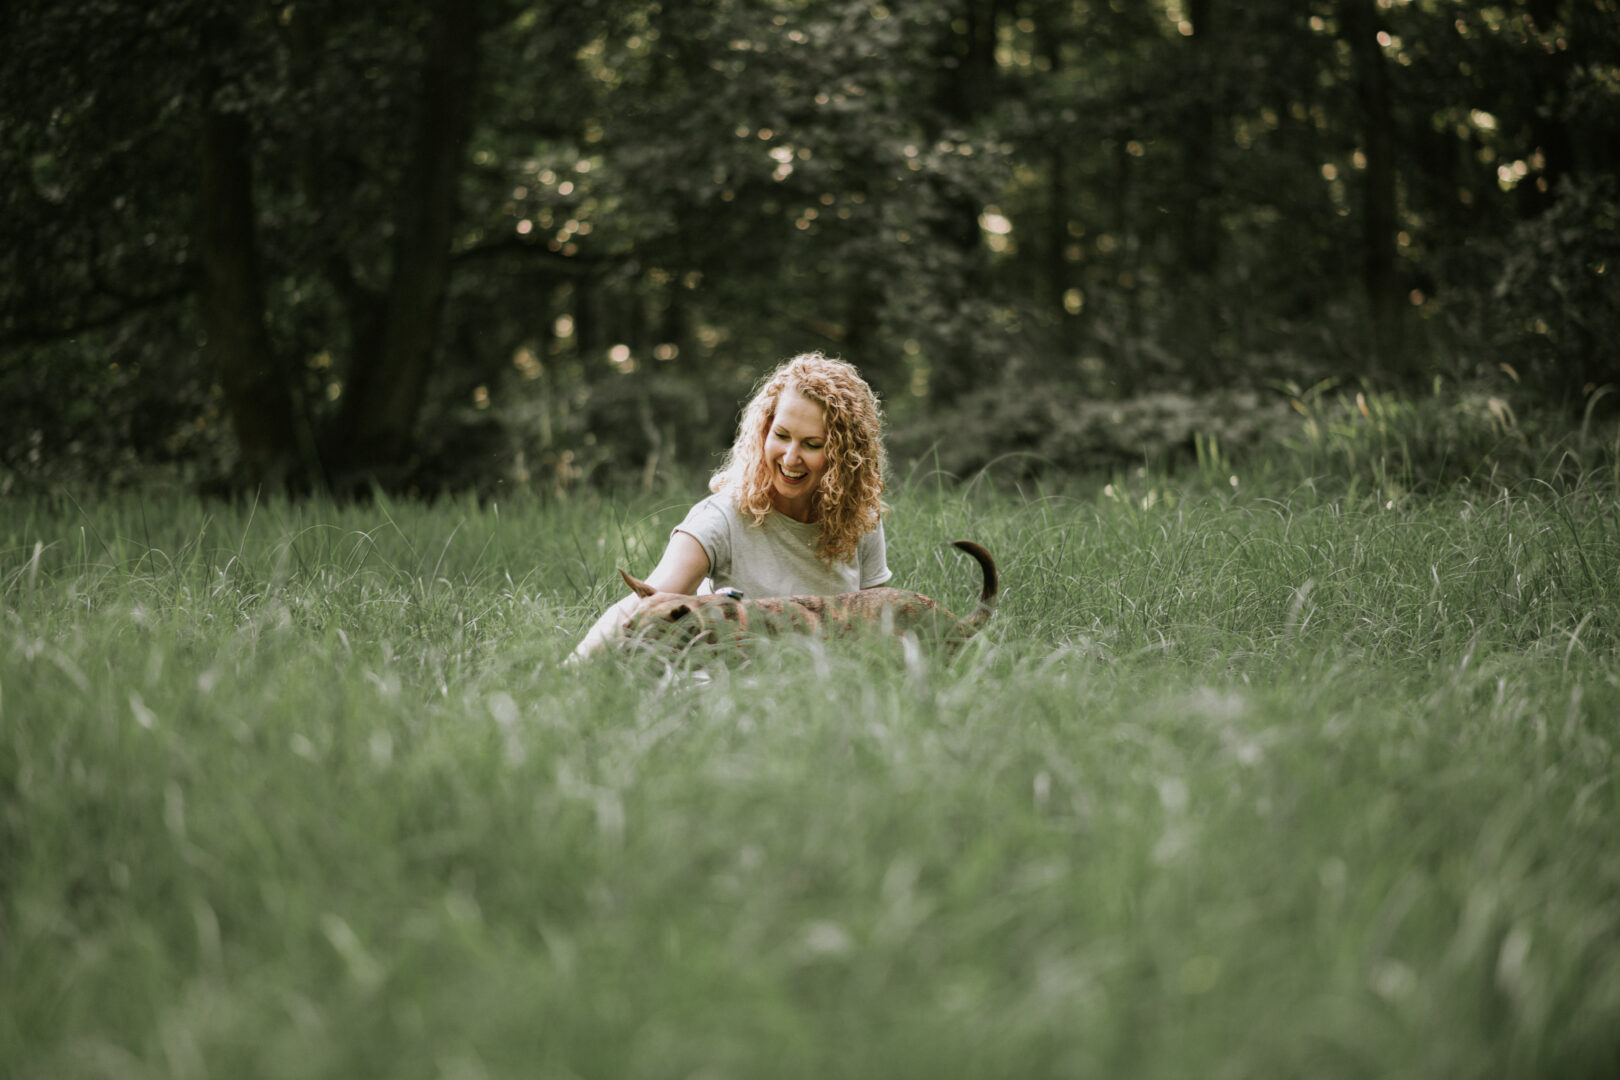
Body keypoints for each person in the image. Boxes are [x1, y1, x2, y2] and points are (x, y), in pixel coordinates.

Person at [570, 351, 892, 660]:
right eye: (781, 435)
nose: (791, 457)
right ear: (764, 430)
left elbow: (878, 624)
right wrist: (574, 668)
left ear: (844, 454)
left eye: (812, 444)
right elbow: (644, 605)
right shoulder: (723, 517)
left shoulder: (860, 518)